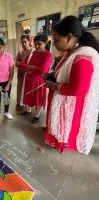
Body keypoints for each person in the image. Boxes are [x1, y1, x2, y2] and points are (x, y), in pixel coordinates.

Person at [44, 16, 99, 154]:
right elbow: (64, 72)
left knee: (65, 127)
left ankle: (62, 143)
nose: (54, 44)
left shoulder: (82, 58)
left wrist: (54, 86)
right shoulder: (70, 52)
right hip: (63, 97)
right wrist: (52, 75)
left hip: (71, 103)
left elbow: (78, 90)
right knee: (59, 125)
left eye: (56, 40)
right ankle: (57, 140)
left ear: (69, 37)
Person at [19, 34, 52, 123]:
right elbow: (21, 66)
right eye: (35, 44)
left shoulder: (48, 55)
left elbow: (43, 70)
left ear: (45, 43)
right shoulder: (32, 53)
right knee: (28, 96)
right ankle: (28, 110)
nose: (37, 46)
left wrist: (30, 68)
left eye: (39, 44)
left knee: (39, 99)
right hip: (29, 80)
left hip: (39, 82)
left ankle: (37, 115)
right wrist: (33, 67)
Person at [16, 34, 32, 109]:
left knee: (27, 89)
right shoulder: (20, 52)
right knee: (20, 88)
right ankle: (20, 103)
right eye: (22, 42)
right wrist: (20, 65)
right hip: (21, 74)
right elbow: (16, 63)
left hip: (29, 74)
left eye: (25, 42)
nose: (24, 44)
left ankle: (27, 104)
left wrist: (21, 65)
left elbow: (32, 65)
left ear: (29, 41)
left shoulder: (33, 51)